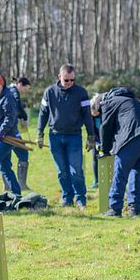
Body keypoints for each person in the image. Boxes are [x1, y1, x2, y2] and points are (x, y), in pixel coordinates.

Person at [37, 63, 95, 208]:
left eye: (72, 80)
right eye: (66, 80)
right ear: (59, 77)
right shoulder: (49, 92)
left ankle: (81, 199)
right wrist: (39, 133)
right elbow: (43, 114)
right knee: (62, 172)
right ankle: (67, 198)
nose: (69, 83)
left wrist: (91, 135)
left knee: (76, 171)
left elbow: (87, 115)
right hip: (55, 137)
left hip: (74, 137)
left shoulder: (81, 93)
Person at [94, 88, 140, 217]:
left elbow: (105, 128)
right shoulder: (130, 100)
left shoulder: (108, 103)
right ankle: (135, 209)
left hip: (133, 137)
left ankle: (115, 208)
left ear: (100, 104)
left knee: (120, 173)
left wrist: (104, 150)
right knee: (138, 172)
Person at [7, 76, 32, 191]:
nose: (24, 92)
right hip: (11, 131)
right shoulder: (14, 92)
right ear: (20, 84)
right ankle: (21, 184)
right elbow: (17, 104)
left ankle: (7, 186)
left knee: (5, 158)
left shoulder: (7, 90)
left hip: (5, 130)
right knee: (23, 152)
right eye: (25, 89)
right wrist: (24, 115)